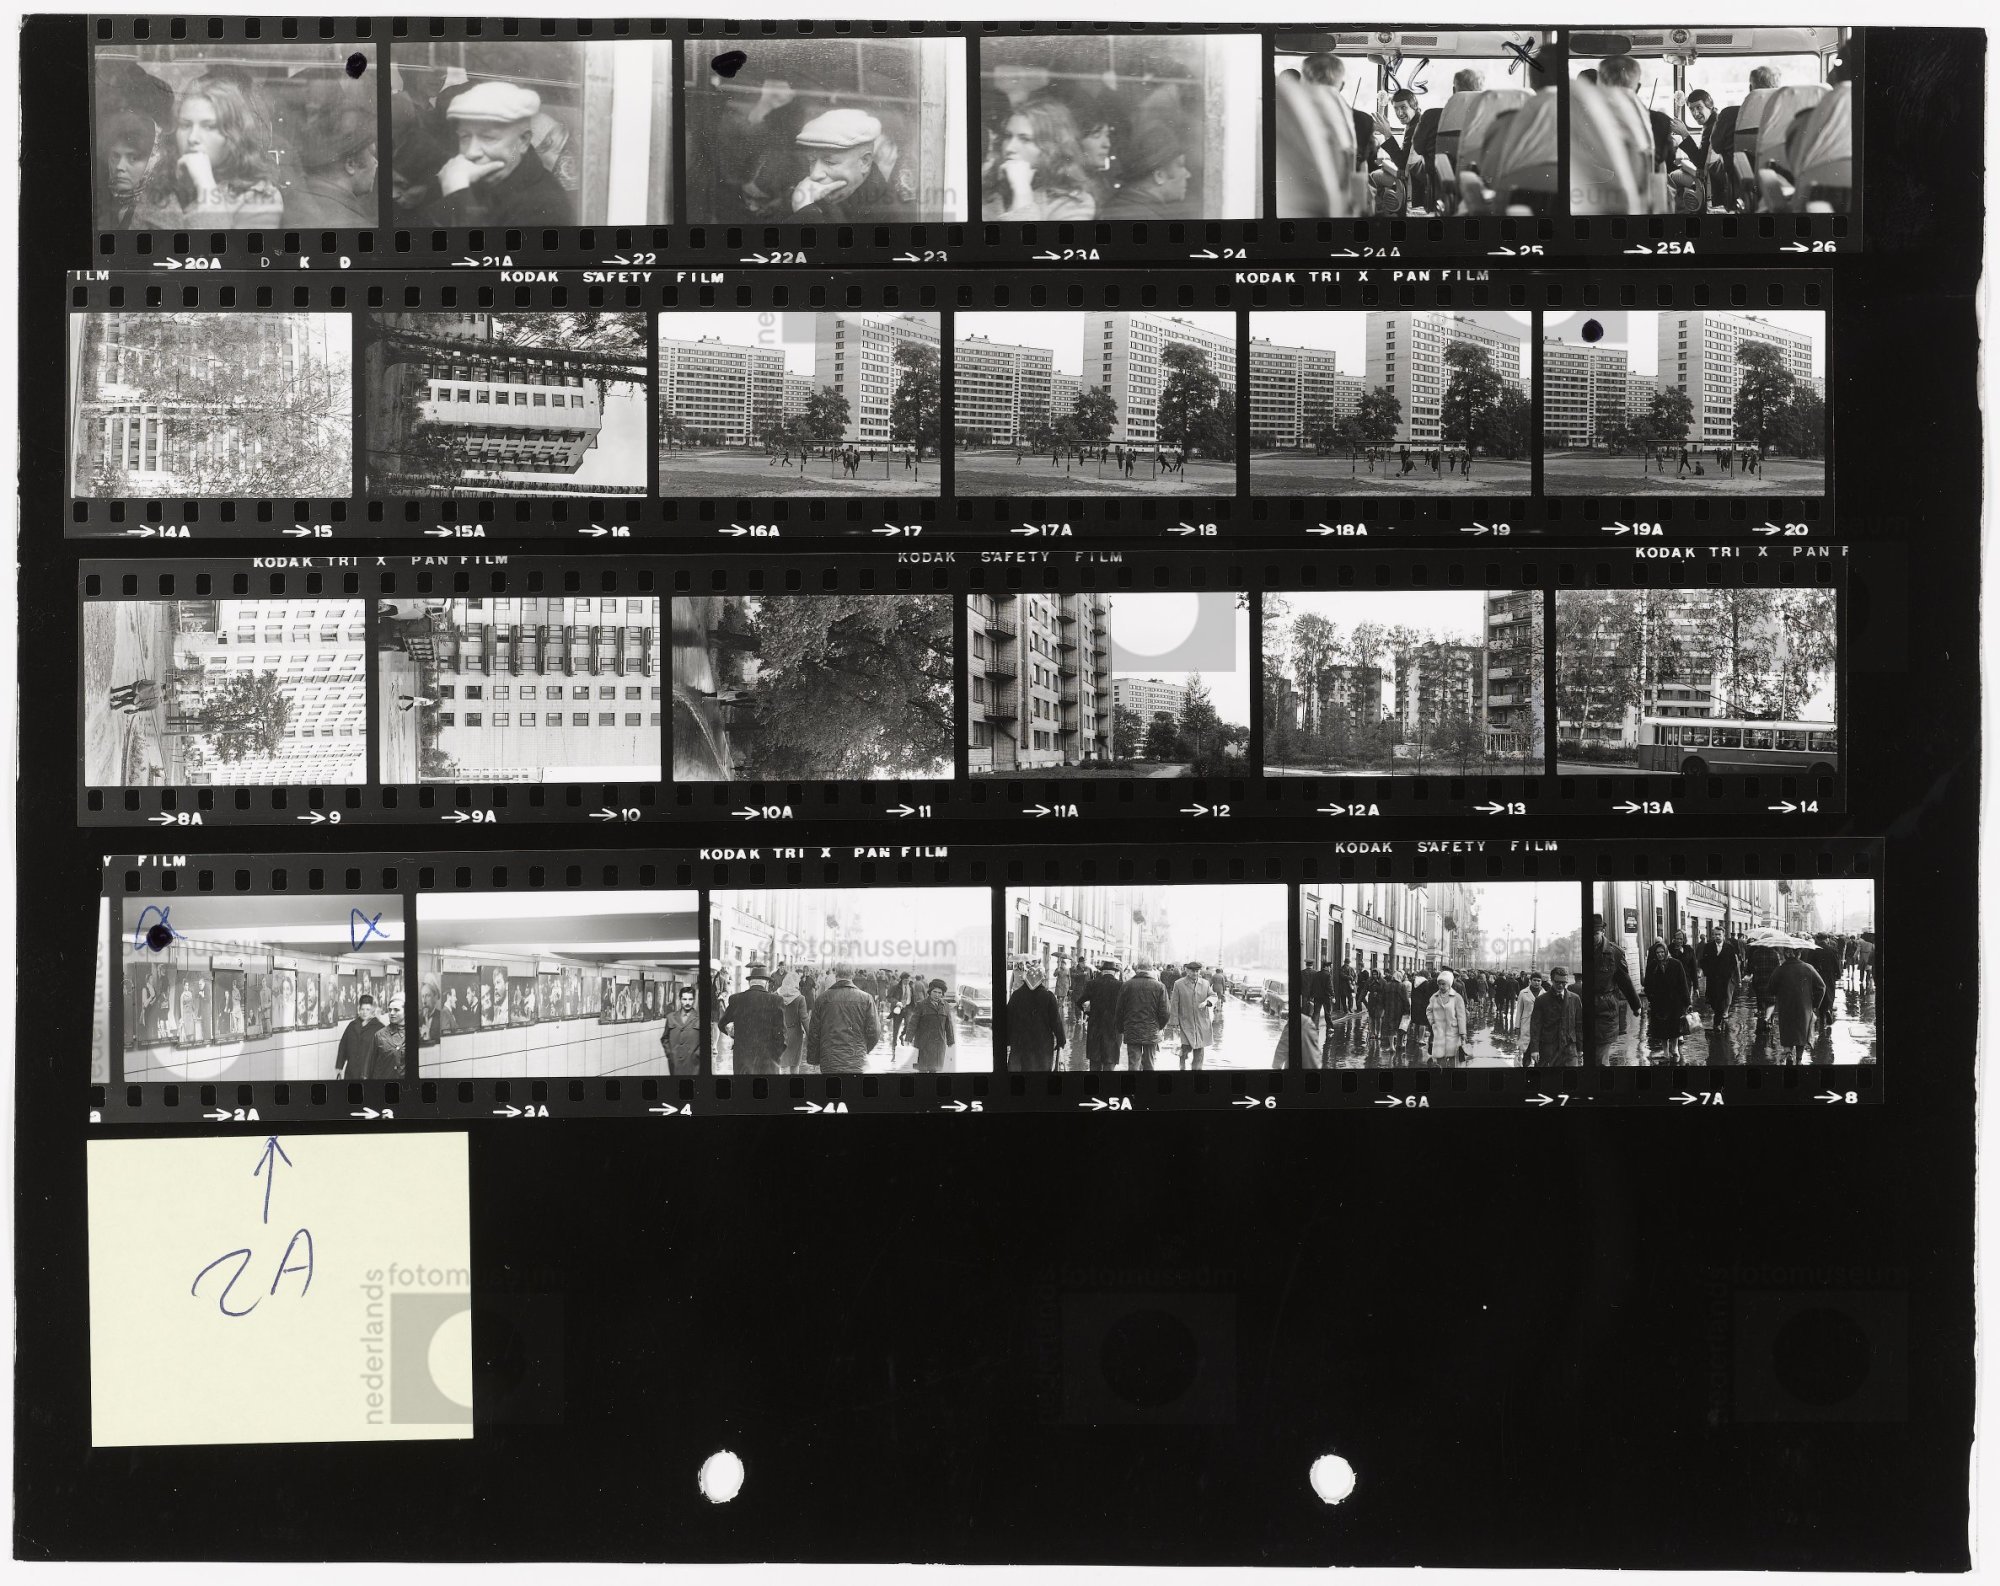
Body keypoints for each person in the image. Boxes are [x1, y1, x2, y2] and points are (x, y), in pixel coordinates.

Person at [410, 82, 576, 228]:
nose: (471, 152)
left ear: (523, 141)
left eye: (488, 138)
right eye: (465, 137)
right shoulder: (476, 178)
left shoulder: (545, 204)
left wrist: (457, 196)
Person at [133, 75, 284, 230]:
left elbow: (223, 245)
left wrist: (204, 183)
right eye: (185, 125)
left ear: (233, 134)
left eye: (209, 126)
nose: (193, 138)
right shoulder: (161, 185)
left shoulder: (261, 196)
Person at [285, 72, 379, 228]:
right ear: (350, 164)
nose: (376, 162)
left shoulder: (299, 202)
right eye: (372, 154)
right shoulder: (355, 225)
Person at [786, 107, 911, 224]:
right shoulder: (809, 194)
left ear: (864, 162)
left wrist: (805, 212)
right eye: (812, 161)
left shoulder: (890, 214)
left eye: (830, 162)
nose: (814, 174)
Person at [1099, 119, 1194, 222]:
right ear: (1159, 176)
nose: (1188, 174)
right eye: (1180, 165)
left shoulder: (1120, 207)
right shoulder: (1146, 217)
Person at [803, 963, 881, 1075]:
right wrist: (863, 1049)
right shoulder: (866, 999)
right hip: (856, 1059)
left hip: (829, 1059)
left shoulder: (822, 999)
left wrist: (814, 1059)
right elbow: (875, 1031)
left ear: (836, 975)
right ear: (852, 975)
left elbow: (814, 1032)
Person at [97, 106, 163, 229]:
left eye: (133, 158)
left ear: (152, 161)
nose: (119, 166)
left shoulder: (158, 212)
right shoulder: (101, 202)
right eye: (115, 156)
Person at [718, 965, 788, 1076]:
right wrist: (775, 1056)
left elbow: (722, 1024)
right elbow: (782, 1034)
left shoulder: (736, 999)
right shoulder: (776, 1001)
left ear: (750, 982)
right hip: (768, 1062)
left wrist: (730, 1031)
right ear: (766, 983)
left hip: (742, 1061)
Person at [1592, 914, 1643, 1062]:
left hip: (1605, 1010)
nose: (1592, 938)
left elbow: (1625, 982)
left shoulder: (1614, 953)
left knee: (1600, 1058)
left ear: (1603, 932)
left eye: (1595, 933)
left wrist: (1636, 1005)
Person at [1768, 947, 1826, 1064]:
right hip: (1804, 1006)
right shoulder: (1808, 968)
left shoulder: (1779, 970)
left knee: (1787, 1029)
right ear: (1799, 954)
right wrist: (1815, 1004)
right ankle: (1799, 1060)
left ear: (1786, 954)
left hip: (1785, 1005)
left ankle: (1788, 1052)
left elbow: (1771, 989)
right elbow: (1821, 987)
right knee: (1802, 1032)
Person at [1005, 962, 1066, 1072]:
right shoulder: (1049, 996)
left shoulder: (1016, 996)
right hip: (1042, 1046)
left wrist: (1008, 1041)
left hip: (1020, 1044)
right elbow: (1056, 1022)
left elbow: (1007, 1020)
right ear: (1042, 980)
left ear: (1025, 980)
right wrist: (1061, 1040)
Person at [1115, 961, 1170, 1071]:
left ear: (1137, 969)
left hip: (1132, 1030)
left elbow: (1119, 1010)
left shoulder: (1126, 985)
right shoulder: (1159, 986)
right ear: (1151, 970)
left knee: (1133, 1064)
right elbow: (1165, 1013)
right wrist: (1158, 1027)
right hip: (1151, 1031)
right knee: (1149, 1063)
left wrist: (1122, 1028)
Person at [1523, 966, 1583, 1067]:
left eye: (1563, 982)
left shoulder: (1575, 999)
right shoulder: (1541, 1000)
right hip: (1548, 1048)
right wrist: (1534, 1049)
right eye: (1557, 982)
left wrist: (1580, 1048)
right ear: (1551, 980)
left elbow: (1579, 1025)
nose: (1561, 985)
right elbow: (1535, 1026)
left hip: (1569, 1049)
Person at [1643, 939, 1691, 1062]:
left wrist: (1687, 1002)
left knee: (1674, 1027)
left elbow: (1683, 984)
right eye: (1657, 952)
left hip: (1675, 1002)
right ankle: (1665, 1052)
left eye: (1662, 952)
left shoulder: (1676, 964)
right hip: (1659, 1003)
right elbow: (1647, 984)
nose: (1660, 955)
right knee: (1662, 1028)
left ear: (1666, 952)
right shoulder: (1652, 966)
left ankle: (1674, 1049)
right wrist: (1651, 998)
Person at [1077, 959, 1125, 1072]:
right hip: (1113, 1029)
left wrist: (1088, 1012)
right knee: (1110, 1062)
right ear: (1114, 972)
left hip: (1095, 1028)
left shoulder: (1092, 984)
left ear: (1102, 971)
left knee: (1095, 1063)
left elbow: (1079, 1002)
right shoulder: (1121, 986)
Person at [1167, 960, 1216, 1071]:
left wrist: (1207, 1002)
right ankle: (1182, 1069)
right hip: (1186, 1022)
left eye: (1197, 971)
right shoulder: (1179, 984)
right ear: (1187, 971)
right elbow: (1174, 1003)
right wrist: (1174, 1022)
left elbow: (1213, 996)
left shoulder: (1205, 983)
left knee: (1199, 1051)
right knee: (1184, 1049)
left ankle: (1196, 1072)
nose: (1195, 973)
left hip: (1201, 1022)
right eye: (1193, 971)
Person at [904, 979, 958, 1074]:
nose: (937, 995)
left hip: (939, 1044)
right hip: (924, 1044)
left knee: (935, 1071)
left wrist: (950, 1041)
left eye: (939, 993)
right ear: (930, 992)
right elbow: (913, 1023)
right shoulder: (921, 1005)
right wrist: (908, 1038)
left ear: (942, 994)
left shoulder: (945, 1006)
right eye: (935, 992)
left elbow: (949, 1025)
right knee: (923, 1071)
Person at [1698, 924, 1738, 1029]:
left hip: (1724, 979)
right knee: (1712, 999)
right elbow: (1703, 961)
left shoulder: (1729, 947)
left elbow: (1733, 963)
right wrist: (1706, 971)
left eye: (1719, 934)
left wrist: (1729, 974)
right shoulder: (1708, 946)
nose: (1717, 936)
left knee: (1721, 999)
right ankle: (1717, 1014)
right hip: (1711, 979)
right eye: (1715, 934)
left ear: (1723, 935)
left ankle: (1717, 1023)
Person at [334, 993, 383, 1080]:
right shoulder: (352, 1025)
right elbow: (343, 1046)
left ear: (373, 1010)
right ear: (359, 1009)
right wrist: (339, 1067)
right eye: (362, 1009)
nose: (364, 1012)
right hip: (351, 1072)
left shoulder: (379, 1028)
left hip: (370, 1074)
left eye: (368, 1009)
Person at [1426, 969, 1467, 1065]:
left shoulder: (1457, 997)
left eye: (1443, 984)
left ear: (1449, 983)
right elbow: (1429, 1011)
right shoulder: (1434, 997)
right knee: (1440, 1058)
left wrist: (1462, 1033)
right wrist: (1432, 1022)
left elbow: (1461, 1016)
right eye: (1439, 984)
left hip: (1453, 1032)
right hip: (1439, 1032)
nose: (1441, 986)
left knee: (1452, 1058)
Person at [660, 986, 701, 1077]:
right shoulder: (671, 1017)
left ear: (694, 1000)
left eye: (690, 999)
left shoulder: (700, 1019)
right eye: (684, 999)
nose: (687, 1002)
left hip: (694, 1065)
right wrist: (670, 1054)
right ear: (680, 1000)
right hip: (675, 1065)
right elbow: (665, 1038)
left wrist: (697, 1055)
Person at [1515, 973, 1543, 1045]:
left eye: (1539, 981)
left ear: (1541, 982)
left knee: (1538, 1046)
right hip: (1526, 1023)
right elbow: (1519, 1010)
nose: (1536, 982)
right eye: (1534, 980)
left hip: (1540, 1024)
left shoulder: (1544, 994)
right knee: (1525, 1046)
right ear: (1530, 980)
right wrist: (1517, 1026)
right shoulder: (1523, 992)